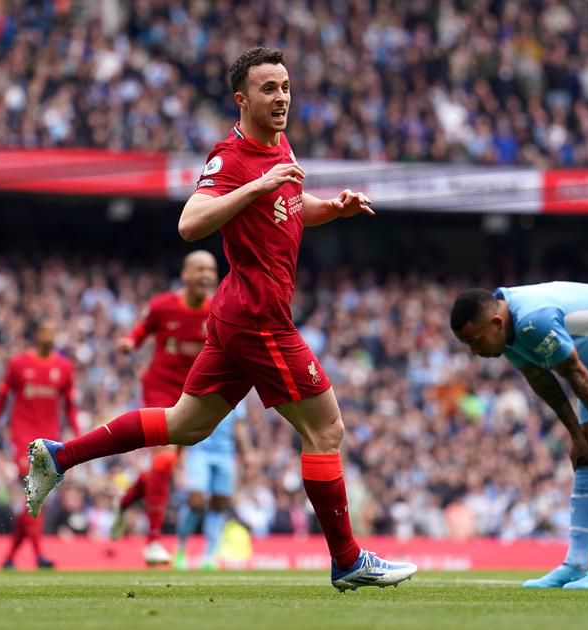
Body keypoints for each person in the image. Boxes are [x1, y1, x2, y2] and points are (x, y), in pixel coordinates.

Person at [24, 46, 416, 591]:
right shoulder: (230, 157)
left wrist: (333, 208)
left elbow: (288, 206)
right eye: (268, 89)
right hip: (258, 318)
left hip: (239, 313)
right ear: (241, 99)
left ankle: (59, 455)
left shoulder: (278, 143)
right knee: (327, 429)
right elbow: (190, 223)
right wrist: (255, 184)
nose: (281, 98)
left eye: (285, 87)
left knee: (187, 424)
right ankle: (347, 560)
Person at [450, 282, 588, 589]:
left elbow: (574, 373)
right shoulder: (507, 333)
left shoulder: (533, 319)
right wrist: (576, 434)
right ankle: (577, 564)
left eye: (475, 341)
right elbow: (540, 379)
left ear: (496, 322)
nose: (474, 352)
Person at [110, 250, 219, 566]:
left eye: (210, 269)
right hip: (159, 389)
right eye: (199, 268)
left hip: (192, 396)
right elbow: (141, 329)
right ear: (185, 275)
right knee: (165, 457)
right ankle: (153, 541)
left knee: (164, 465)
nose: (205, 274)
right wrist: (130, 342)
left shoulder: (217, 311)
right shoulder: (163, 305)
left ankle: (125, 501)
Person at [0, 318, 79, 569]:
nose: (49, 336)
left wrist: (78, 436)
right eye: (45, 331)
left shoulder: (64, 367)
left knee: (35, 498)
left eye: (53, 332)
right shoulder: (18, 364)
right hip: (23, 437)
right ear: (36, 335)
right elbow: (1, 401)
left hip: (51, 439)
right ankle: (38, 555)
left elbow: (70, 406)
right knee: (35, 491)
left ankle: (10, 558)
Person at [174, 400, 255, 570]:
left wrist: (247, 452)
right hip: (199, 451)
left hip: (225, 453)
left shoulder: (237, 397)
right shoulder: (201, 390)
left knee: (219, 503)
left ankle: (210, 555)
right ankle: (180, 547)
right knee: (196, 501)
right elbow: (186, 419)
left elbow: (239, 425)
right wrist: (179, 457)